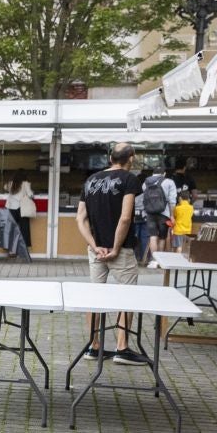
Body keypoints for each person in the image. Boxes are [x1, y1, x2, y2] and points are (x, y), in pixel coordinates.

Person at [76, 143, 146, 364]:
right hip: (120, 251)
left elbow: (80, 218)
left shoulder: (91, 180)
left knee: (94, 295)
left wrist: (95, 245)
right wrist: (115, 248)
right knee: (128, 296)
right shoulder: (129, 179)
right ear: (131, 158)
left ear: (110, 158)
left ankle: (93, 346)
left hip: (96, 250)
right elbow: (125, 218)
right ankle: (122, 348)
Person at [5, 173, 37, 251]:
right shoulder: (25, 183)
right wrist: (32, 193)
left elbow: (5, 187)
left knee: (11, 229)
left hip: (11, 209)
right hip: (21, 209)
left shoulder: (10, 183)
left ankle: (10, 250)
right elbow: (30, 195)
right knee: (24, 229)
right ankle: (25, 248)